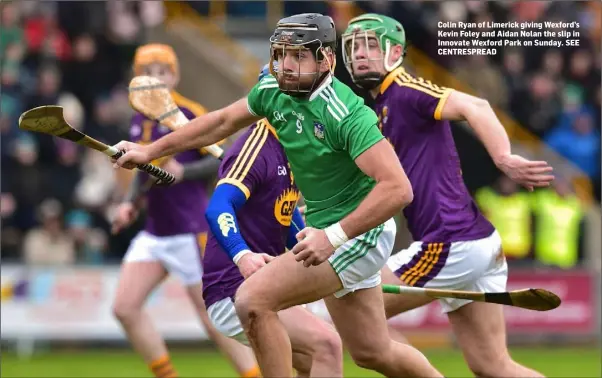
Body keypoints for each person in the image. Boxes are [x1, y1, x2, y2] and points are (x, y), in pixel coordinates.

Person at [112, 14, 443, 378]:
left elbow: (398, 189)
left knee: (254, 299)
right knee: (372, 352)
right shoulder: (275, 91)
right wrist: (149, 151)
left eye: (298, 57)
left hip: (357, 232)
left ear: (326, 61)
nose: (286, 66)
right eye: (281, 54)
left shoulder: (347, 113)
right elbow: (221, 122)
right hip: (326, 227)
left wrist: (332, 237)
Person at [341, 13, 554, 378]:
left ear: (395, 52)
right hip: (476, 241)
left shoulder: (406, 91)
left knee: (358, 319)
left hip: (448, 242)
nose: (360, 53)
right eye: (354, 46)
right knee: (493, 366)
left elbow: (477, 106)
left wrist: (503, 157)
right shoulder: (377, 110)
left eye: (371, 45)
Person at [110, 44, 258, 378]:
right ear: (136, 78)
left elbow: (220, 159)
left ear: (174, 75)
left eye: (161, 72)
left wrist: (185, 172)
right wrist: (129, 204)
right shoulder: (139, 118)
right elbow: (145, 167)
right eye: (146, 73)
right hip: (156, 232)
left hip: (191, 230)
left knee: (212, 318)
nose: (154, 79)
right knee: (124, 308)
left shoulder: (189, 112)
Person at [202, 63, 344, 377]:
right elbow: (218, 208)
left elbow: (286, 216)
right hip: (233, 286)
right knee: (327, 346)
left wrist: (319, 248)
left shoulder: (292, 147)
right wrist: (242, 255)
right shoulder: (256, 148)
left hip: (270, 283)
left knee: (312, 362)